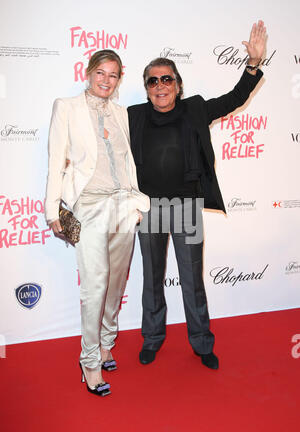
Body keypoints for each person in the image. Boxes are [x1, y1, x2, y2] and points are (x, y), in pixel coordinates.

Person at [128, 21, 267, 369]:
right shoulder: (131, 116)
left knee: (192, 279)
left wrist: (251, 66)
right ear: (146, 89)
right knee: (151, 279)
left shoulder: (195, 109)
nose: (160, 86)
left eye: (166, 79)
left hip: (187, 208)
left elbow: (235, 99)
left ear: (178, 84)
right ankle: (153, 338)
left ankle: (202, 343)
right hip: (148, 210)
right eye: (153, 80)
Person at [45, 50, 150, 396]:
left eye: (114, 75)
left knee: (116, 282)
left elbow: (126, 160)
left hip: (123, 204)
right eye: (101, 73)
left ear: (120, 79)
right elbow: (55, 162)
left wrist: (134, 205)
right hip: (88, 207)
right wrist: (52, 211)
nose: (106, 80)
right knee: (95, 285)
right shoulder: (67, 107)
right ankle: (89, 360)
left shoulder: (121, 113)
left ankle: (106, 342)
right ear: (88, 73)